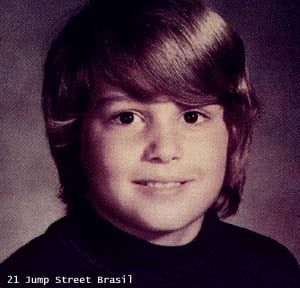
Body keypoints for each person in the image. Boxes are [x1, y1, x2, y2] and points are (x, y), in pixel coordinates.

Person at [0, 0, 299, 287]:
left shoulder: (272, 270)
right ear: (74, 135)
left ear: (232, 130)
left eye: (192, 116)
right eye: (127, 118)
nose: (165, 150)